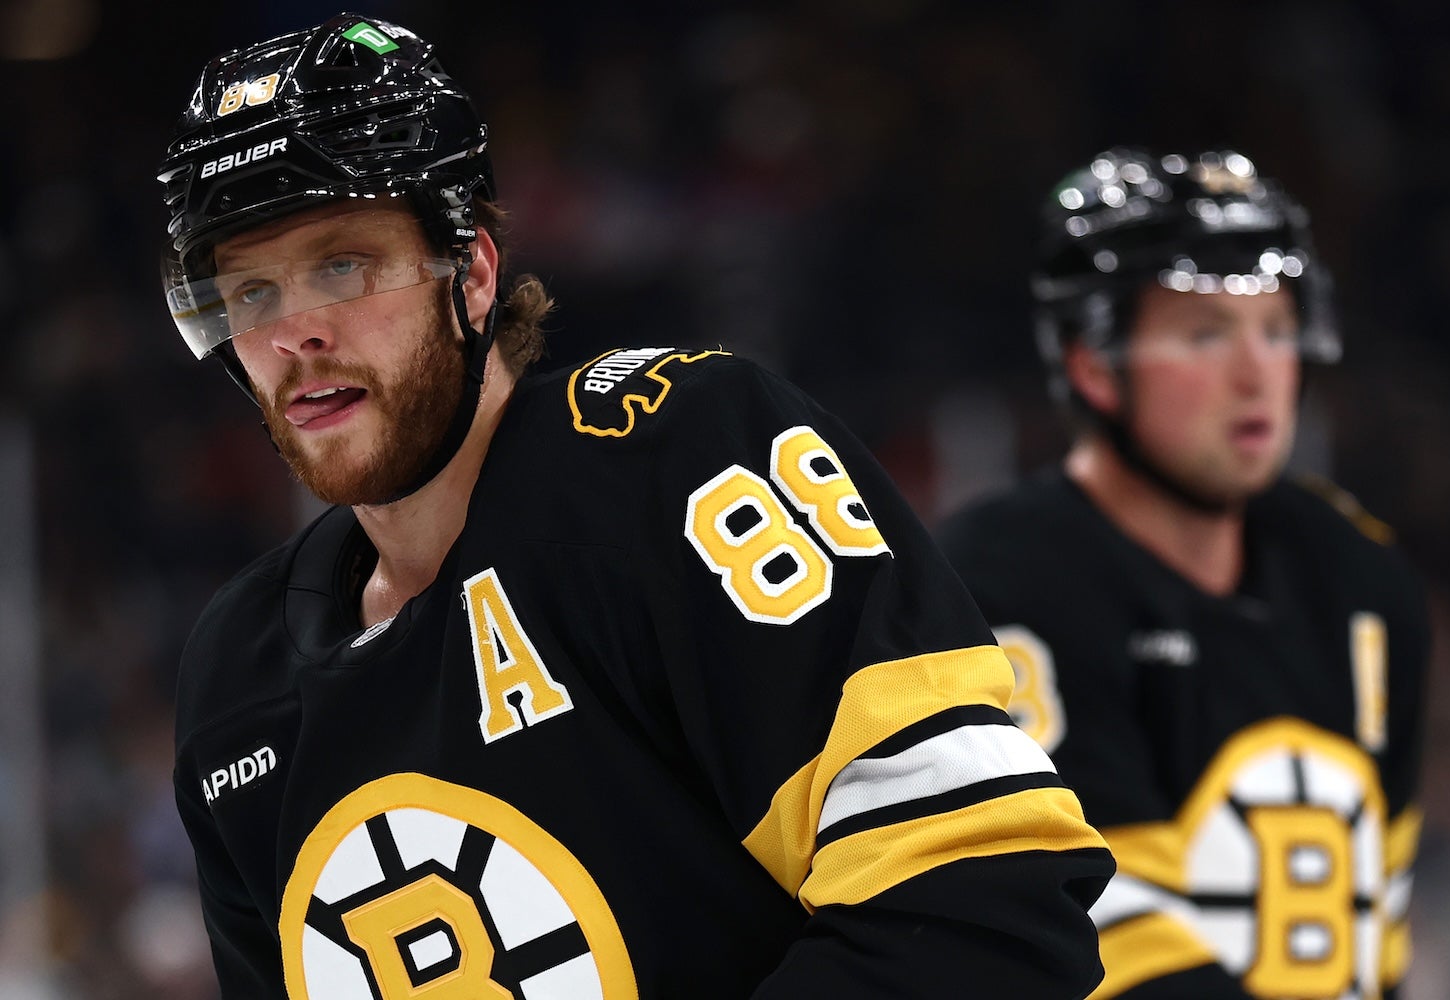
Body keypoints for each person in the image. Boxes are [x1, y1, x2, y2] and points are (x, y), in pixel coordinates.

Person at [158, 13, 1115, 999]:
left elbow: (984, 900)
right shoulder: (236, 680)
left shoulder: (682, 462)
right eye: (250, 293)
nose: (295, 333)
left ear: (472, 271)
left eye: (342, 266)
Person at [936, 147, 1430, 999]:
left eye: (1277, 328)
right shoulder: (991, 583)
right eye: (1205, 332)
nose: (1257, 374)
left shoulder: (1362, 577)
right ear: (1094, 365)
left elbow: (1379, 921)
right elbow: (1089, 924)